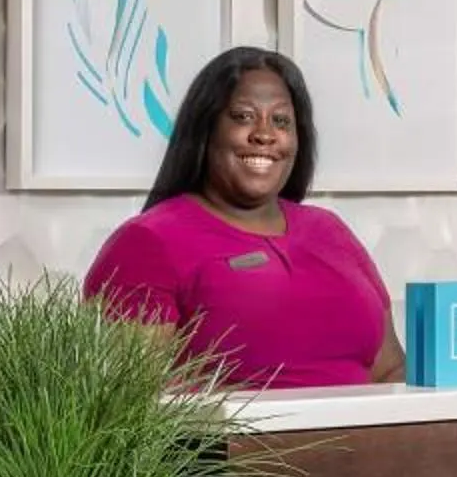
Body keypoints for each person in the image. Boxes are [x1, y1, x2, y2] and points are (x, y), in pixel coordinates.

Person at [83, 46, 406, 388]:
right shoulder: (146, 243)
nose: (264, 135)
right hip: (238, 443)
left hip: (371, 441)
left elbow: (390, 371)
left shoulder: (330, 231)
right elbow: (136, 404)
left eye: (281, 121)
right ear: (205, 130)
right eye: (243, 116)